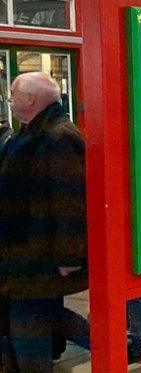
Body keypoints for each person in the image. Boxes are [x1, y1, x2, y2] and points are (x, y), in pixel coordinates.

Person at [0, 72, 88, 370]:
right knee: (44, 315)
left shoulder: (59, 136)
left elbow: (71, 202)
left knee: (27, 325)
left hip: (40, 254)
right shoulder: (29, 134)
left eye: (13, 95)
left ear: (30, 99)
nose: (10, 101)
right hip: (25, 251)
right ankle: (112, 342)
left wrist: (70, 257)